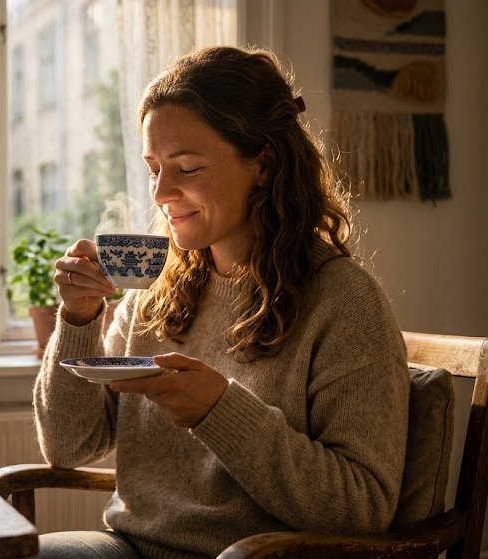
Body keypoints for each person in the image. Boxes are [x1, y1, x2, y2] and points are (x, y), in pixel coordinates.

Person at [33, 45, 410, 559]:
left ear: (265, 163)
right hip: (130, 548)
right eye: (153, 168)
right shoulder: (159, 289)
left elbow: (362, 509)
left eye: (187, 168)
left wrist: (220, 411)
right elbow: (69, 445)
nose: (160, 193)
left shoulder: (344, 302)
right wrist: (79, 319)